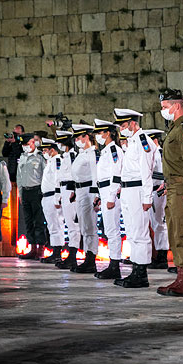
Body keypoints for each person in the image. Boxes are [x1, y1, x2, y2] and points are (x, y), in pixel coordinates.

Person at [155, 89, 183, 297]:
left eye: (165, 107)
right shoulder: (174, 128)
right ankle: (182, 277)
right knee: (175, 233)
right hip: (173, 186)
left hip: (182, 188)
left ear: (177, 105)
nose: (163, 111)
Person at [113, 108, 156, 288]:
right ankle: (135, 269)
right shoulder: (132, 142)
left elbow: (146, 171)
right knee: (131, 232)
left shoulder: (142, 140)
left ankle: (141, 273)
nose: (121, 129)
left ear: (132, 123)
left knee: (140, 233)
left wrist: (147, 197)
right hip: (128, 191)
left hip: (138, 190)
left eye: (123, 125)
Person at [92, 119, 124, 280]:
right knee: (109, 230)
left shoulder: (114, 150)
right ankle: (113, 263)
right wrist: (99, 197)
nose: (98, 136)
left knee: (113, 230)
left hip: (111, 193)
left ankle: (115, 265)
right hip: (104, 192)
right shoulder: (105, 151)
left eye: (99, 132)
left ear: (108, 133)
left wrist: (111, 197)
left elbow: (116, 174)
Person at [70, 123, 100, 273]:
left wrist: (96, 195)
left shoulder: (92, 154)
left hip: (89, 191)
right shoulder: (81, 153)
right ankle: (87, 256)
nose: (76, 140)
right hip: (81, 190)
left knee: (90, 225)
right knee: (84, 225)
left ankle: (91, 258)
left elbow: (95, 176)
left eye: (78, 137)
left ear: (86, 137)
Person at [52, 130, 82, 270]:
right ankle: (71, 255)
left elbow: (74, 175)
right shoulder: (65, 157)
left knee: (73, 225)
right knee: (69, 225)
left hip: (70, 189)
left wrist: (74, 191)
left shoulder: (72, 156)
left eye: (60, 143)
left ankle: (73, 256)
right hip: (64, 190)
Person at [17, 133, 47, 260]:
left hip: (37, 191)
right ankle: (32, 247)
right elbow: (19, 176)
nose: (25, 147)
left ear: (33, 143)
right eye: (23, 145)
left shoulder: (40, 157)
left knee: (38, 220)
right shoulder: (22, 157)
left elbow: (45, 175)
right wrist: (19, 192)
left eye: (27, 144)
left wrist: (44, 192)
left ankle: (40, 249)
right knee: (28, 221)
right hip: (25, 191)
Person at [144, 129, 170, 269]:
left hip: (158, 192)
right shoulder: (156, 153)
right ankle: (158, 254)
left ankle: (162, 256)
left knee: (159, 224)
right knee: (156, 224)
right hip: (153, 191)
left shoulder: (158, 154)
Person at [38, 138, 65, 264]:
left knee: (56, 225)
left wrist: (57, 198)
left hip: (53, 196)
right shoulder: (51, 161)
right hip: (47, 196)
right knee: (52, 226)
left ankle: (57, 253)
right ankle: (55, 251)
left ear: (52, 150)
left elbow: (58, 180)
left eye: (45, 150)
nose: (43, 152)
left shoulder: (57, 161)